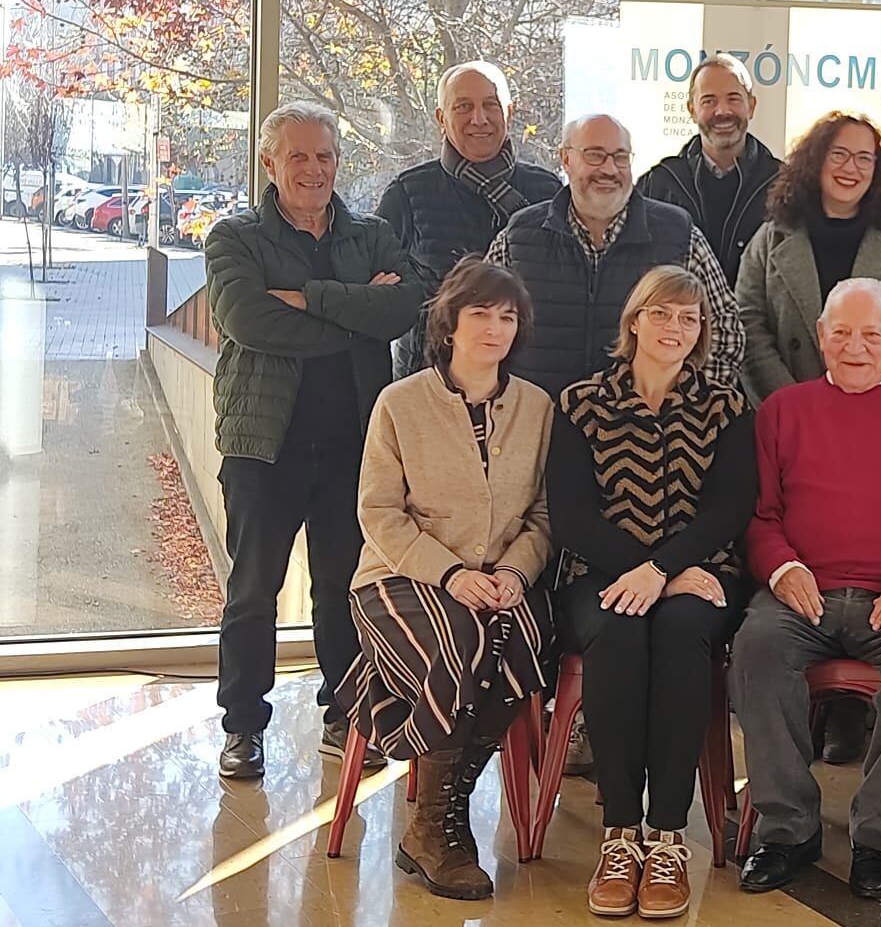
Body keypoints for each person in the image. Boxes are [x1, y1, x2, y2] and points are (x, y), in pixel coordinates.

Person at [205, 101, 424, 780]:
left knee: (343, 588)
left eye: (324, 156)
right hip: (263, 445)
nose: (313, 168)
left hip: (353, 446)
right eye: (297, 156)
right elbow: (249, 322)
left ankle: (348, 713)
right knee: (252, 591)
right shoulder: (234, 237)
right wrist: (354, 311)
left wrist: (307, 295)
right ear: (270, 163)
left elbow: (403, 307)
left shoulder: (372, 234)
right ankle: (243, 726)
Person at [733, 279, 881, 901]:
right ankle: (787, 830)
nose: (855, 347)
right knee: (756, 645)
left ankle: (877, 835)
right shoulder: (782, 411)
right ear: (819, 337)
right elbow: (758, 514)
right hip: (800, 594)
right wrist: (782, 568)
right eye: (841, 332)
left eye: (870, 334)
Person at [548, 266, 757, 921]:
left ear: (701, 334)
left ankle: (667, 836)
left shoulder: (725, 405)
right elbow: (573, 516)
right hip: (599, 571)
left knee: (676, 632)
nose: (674, 328)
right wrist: (643, 569)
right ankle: (619, 835)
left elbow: (728, 509)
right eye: (662, 314)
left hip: (699, 570)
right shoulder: (581, 402)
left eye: (689, 319)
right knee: (617, 633)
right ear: (634, 320)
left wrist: (662, 569)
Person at [342, 258, 554, 902]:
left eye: (507, 317)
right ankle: (436, 827)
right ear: (450, 324)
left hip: (502, 580)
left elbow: (544, 515)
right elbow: (378, 512)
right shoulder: (400, 403)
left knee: (524, 642)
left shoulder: (537, 407)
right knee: (462, 638)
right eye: (480, 315)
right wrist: (453, 573)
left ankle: (440, 814)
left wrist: (517, 571)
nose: (494, 329)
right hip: (400, 576)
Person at [487, 113, 743, 397]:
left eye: (620, 157)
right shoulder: (519, 237)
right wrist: (505, 407)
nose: (609, 169)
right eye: (595, 155)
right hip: (538, 426)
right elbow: (480, 328)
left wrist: (684, 409)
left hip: (644, 433)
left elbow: (725, 332)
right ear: (566, 160)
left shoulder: (679, 234)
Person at [374, 62, 561, 377]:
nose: (479, 118)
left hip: (525, 379)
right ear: (441, 119)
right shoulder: (408, 194)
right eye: (463, 106)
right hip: (431, 382)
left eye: (491, 105)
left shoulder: (547, 192)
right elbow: (379, 295)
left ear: (509, 112)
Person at [737, 111, 881, 402]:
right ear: (816, 160)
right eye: (838, 154)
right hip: (789, 411)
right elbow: (748, 321)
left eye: (864, 158)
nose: (850, 167)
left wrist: (878, 395)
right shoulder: (771, 238)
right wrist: (792, 401)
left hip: (875, 412)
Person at [637, 55, 782, 284]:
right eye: (709, 101)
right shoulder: (658, 184)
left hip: (758, 320)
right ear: (691, 110)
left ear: (751, 106)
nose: (722, 111)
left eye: (733, 99)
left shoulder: (784, 185)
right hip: (678, 319)